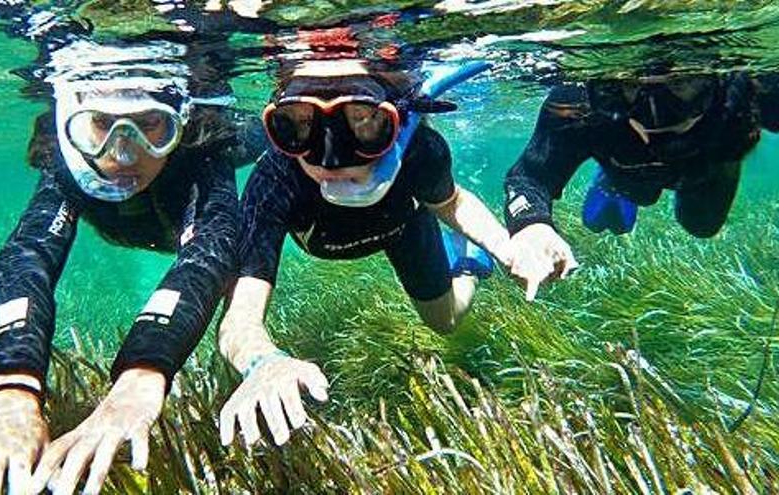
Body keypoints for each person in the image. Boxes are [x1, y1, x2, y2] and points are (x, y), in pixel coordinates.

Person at [0, 38, 261, 495]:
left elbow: (207, 254)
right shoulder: (67, 166)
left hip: (209, 157)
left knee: (265, 136)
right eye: (100, 127)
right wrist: (11, 386)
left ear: (180, 124)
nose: (124, 155)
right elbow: (27, 255)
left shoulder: (202, 153)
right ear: (71, 121)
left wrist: (142, 373)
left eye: (152, 126)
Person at [216, 58, 512, 448]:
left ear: (393, 121)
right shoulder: (274, 181)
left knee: (446, 322)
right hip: (365, 231)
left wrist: (509, 249)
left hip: (403, 226)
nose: (331, 156)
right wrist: (263, 362)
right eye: (300, 124)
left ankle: (469, 264)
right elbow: (239, 320)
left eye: (362, 121)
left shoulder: (420, 150)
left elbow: (451, 204)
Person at [503, 68, 779, 300]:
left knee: (701, 225)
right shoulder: (580, 105)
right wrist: (531, 225)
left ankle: (621, 176)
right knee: (641, 193)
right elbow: (529, 177)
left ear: (719, 80)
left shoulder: (750, 89)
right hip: (628, 166)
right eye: (631, 83)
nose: (656, 113)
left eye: (682, 81)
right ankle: (610, 180)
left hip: (706, 165)